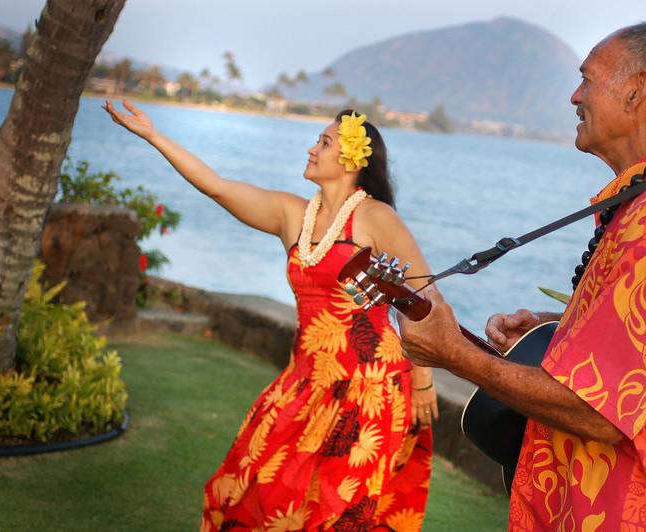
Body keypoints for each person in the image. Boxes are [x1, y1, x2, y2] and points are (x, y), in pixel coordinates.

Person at [398, 22, 646, 531]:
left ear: (637, 90)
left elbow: (601, 414)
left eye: (587, 80)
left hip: (642, 512)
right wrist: (560, 326)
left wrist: (452, 355)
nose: (574, 95)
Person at [103, 103, 437, 531]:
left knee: (334, 514)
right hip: (304, 377)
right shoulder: (292, 214)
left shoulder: (376, 218)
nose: (311, 148)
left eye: (324, 142)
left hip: (369, 387)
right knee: (254, 489)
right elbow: (217, 187)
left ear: (352, 159)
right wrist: (153, 135)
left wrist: (424, 382)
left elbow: (424, 298)